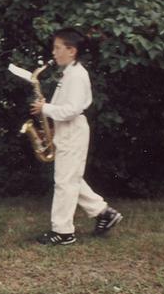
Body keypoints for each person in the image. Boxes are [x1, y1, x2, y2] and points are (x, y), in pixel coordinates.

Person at [30, 28, 122, 245]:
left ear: (72, 51)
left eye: (57, 48)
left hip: (73, 130)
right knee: (70, 178)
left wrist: (45, 109)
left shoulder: (78, 76)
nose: (54, 52)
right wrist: (51, 125)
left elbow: (71, 109)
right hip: (66, 129)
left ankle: (63, 232)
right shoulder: (70, 73)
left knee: (65, 182)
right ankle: (104, 213)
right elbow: (65, 108)